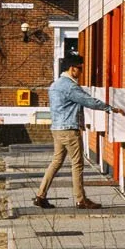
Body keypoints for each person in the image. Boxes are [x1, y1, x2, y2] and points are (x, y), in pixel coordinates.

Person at [33, 55, 105, 210]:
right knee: (77, 164)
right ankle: (81, 200)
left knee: (56, 162)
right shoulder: (70, 86)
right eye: (80, 69)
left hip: (57, 129)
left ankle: (40, 195)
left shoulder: (54, 85)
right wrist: (110, 108)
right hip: (69, 130)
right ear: (72, 69)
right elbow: (88, 101)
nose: (81, 72)